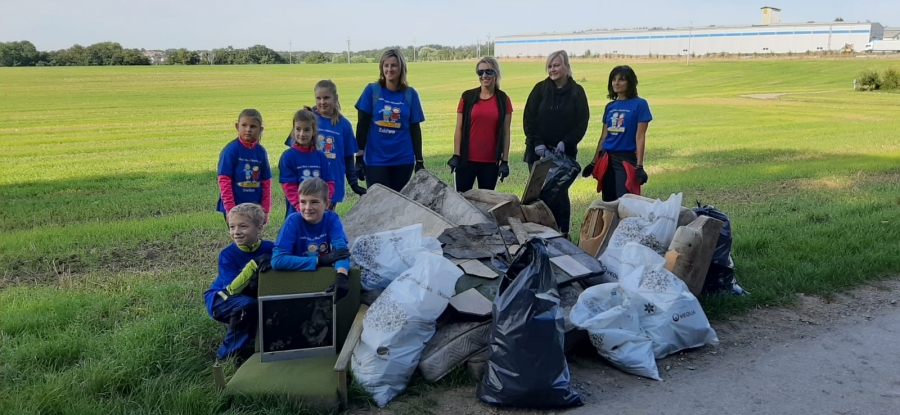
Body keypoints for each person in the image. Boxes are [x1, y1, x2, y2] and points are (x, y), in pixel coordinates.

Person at [522, 50, 590, 235]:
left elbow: (582, 123)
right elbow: (529, 119)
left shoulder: (577, 92)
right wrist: (537, 142)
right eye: (550, 66)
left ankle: (562, 233)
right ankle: (539, 233)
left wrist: (566, 142)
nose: (552, 69)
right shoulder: (540, 89)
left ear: (566, 66)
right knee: (538, 194)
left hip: (563, 156)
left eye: (557, 65)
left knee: (560, 194)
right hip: (539, 154)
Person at [204, 203, 275, 361]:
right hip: (222, 298)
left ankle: (258, 341)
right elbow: (232, 289)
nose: (236, 232)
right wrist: (253, 265)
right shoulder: (227, 254)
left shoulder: (270, 248)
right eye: (232, 227)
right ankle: (226, 356)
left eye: (243, 226)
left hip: (250, 296)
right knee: (248, 306)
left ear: (259, 228)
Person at [285, 81, 367, 210]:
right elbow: (295, 151)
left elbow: (348, 158)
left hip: (331, 187)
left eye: (326, 98)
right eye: (318, 98)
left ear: (335, 98)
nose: (322, 102)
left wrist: (353, 183)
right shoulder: (308, 120)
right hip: (307, 184)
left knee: (325, 220)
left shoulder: (344, 125)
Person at [354, 48, 426, 192]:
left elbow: (415, 129)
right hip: (376, 160)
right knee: (378, 202)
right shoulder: (372, 90)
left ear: (401, 68)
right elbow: (362, 125)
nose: (389, 69)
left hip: (403, 160)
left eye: (394, 65)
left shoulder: (410, 94)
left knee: (399, 202)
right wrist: (359, 158)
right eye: (386, 65)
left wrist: (419, 161)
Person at [272, 178, 351, 303]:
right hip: (296, 278)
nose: (308, 208)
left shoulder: (332, 219)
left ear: (326, 204)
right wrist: (319, 260)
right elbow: (277, 260)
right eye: (303, 202)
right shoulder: (292, 221)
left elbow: (341, 251)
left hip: (320, 278)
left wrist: (342, 274)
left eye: (314, 202)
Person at [582, 65, 652, 202]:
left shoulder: (640, 104)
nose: (616, 83)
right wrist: (593, 162)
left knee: (625, 200)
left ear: (630, 82)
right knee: (608, 200)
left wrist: (639, 166)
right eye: (613, 80)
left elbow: (640, 137)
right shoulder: (610, 107)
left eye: (621, 79)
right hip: (607, 159)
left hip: (626, 159)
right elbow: (604, 137)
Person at [448, 57, 512, 192]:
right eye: (480, 72)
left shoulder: (503, 99)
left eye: (489, 71)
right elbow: (459, 128)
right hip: (466, 160)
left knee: (486, 200)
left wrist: (505, 161)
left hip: (491, 162)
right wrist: (456, 155)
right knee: (462, 198)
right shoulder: (467, 97)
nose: (484, 76)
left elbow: (506, 133)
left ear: (496, 74)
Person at [216, 109, 272, 223]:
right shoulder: (231, 150)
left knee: (253, 233)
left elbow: (266, 182)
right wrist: (230, 209)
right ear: (237, 127)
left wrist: (265, 210)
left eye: (253, 126)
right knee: (240, 233)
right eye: (244, 125)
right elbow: (224, 180)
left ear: (260, 129)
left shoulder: (261, 152)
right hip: (235, 207)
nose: (248, 129)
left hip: (255, 208)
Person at [279, 109, 335, 219]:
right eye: (298, 129)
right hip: (297, 213)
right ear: (293, 130)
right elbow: (289, 186)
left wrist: (324, 203)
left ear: (313, 131)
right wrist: (302, 208)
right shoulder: (288, 156)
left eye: (307, 130)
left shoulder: (320, 157)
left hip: (318, 213)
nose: (302, 134)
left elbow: (329, 182)